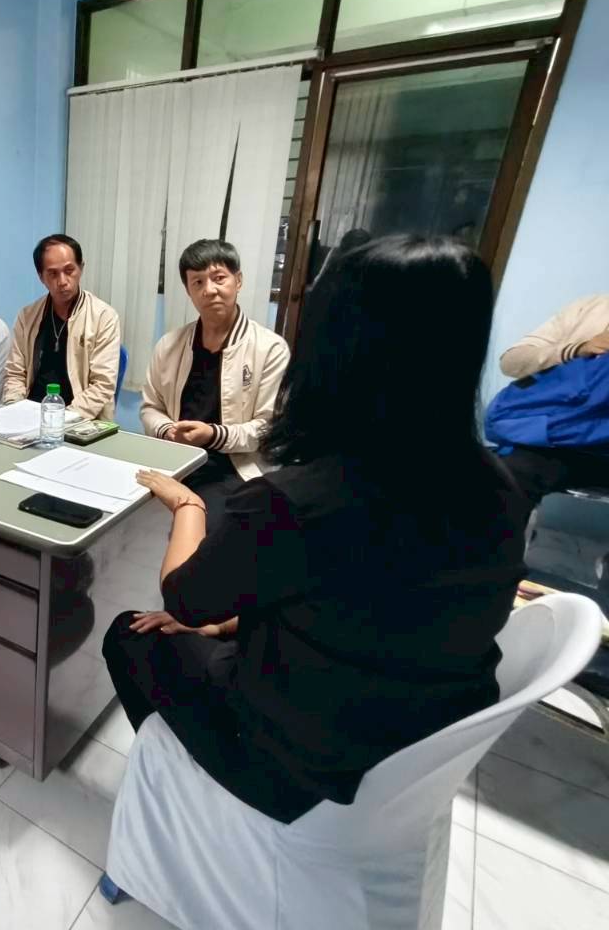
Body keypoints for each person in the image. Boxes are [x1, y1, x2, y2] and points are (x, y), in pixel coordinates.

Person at [102, 236, 528, 824]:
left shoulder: (293, 503)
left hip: (294, 767)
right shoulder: (502, 492)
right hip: (412, 764)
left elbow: (183, 600)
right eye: (198, 281)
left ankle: (184, 796)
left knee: (129, 633)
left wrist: (187, 507)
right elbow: (363, 607)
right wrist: (230, 620)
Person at [140, 239, 289, 515]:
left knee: (206, 525)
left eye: (219, 278)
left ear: (238, 281)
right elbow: (151, 407)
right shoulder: (169, 345)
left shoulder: (270, 348)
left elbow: (267, 428)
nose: (209, 290)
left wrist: (211, 435)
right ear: (189, 291)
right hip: (174, 458)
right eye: (197, 282)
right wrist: (167, 430)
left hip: (231, 467)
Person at [497, 295, 609, 507]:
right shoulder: (591, 308)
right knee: (511, 474)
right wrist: (577, 349)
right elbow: (511, 361)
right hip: (556, 441)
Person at [1, 234, 122, 420]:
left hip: (80, 419)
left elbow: (102, 385)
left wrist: (62, 419)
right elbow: (15, 374)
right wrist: (14, 410)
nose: (63, 281)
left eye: (69, 270)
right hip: (31, 414)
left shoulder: (103, 317)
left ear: (81, 268)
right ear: (41, 277)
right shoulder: (27, 316)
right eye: (53, 274)